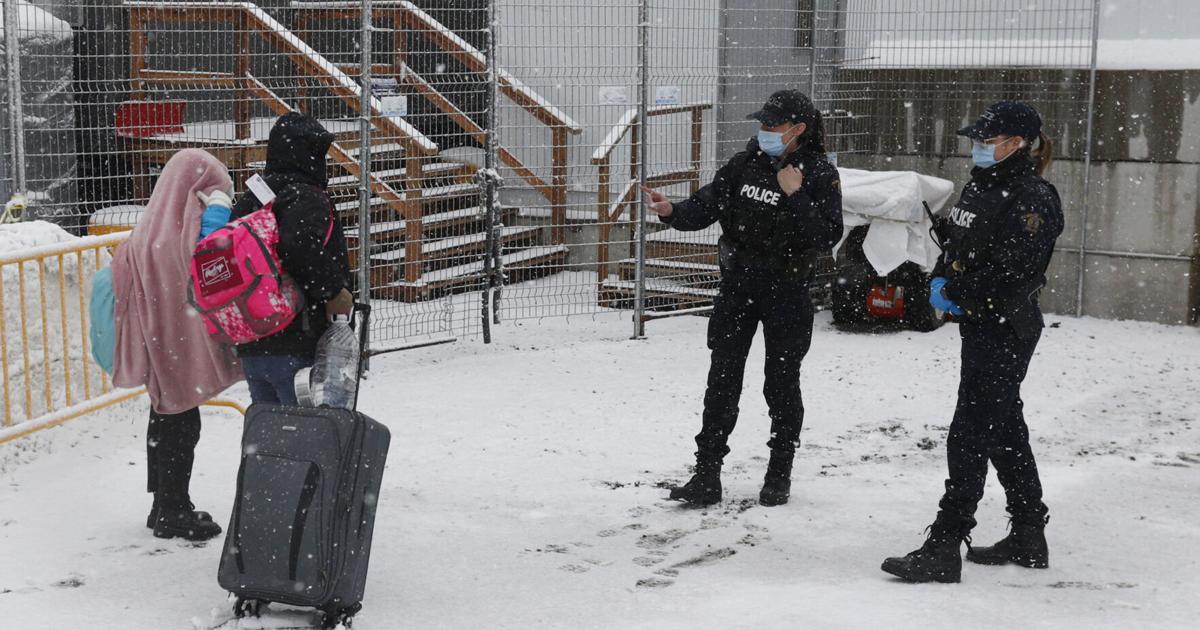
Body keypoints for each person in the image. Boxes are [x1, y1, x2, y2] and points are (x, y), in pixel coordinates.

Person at [881, 100, 1063, 583]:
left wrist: (957, 290)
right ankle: (1028, 532)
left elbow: (1015, 271)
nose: (978, 149)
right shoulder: (983, 185)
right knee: (1003, 429)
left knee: (970, 433)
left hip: (1007, 328)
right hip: (980, 324)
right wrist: (943, 278)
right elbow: (959, 244)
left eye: (987, 142)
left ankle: (945, 542)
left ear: (1017, 144)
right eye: (976, 141)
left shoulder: (1032, 197)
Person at [643, 89, 843, 507]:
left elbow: (826, 235)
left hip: (787, 291)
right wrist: (671, 212)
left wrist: (796, 193)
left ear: (798, 129)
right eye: (763, 124)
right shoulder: (744, 164)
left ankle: (779, 472)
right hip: (739, 287)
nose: (765, 131)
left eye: (773, 126)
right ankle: (707, 474)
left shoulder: (819, 172)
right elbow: (708, 205)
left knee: (782, 382)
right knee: (722, 380)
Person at [110, 149, 244, 541]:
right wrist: (219, 211)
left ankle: (162, 504)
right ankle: (174, 508)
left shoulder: (149, 231)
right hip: (181, 342)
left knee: (165, 414)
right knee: (184, 420)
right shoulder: (186, 233)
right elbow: (210, 258)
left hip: (158, 343)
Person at [230, 112, 353, 404]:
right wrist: (334, 290)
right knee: (305, 438)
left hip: (254, 341)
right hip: (298, 338)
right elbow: (298, 245)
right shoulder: (306, 196)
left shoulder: (252, 198)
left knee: (268, 439)